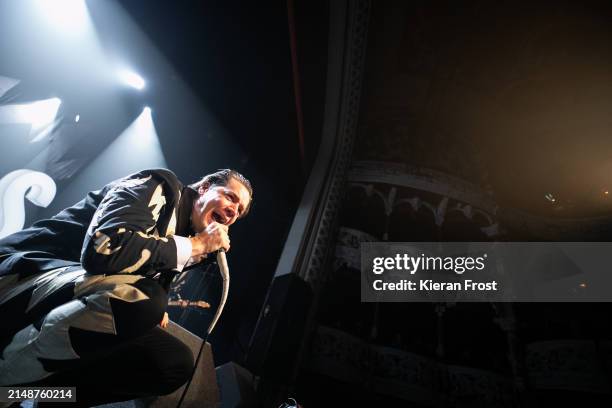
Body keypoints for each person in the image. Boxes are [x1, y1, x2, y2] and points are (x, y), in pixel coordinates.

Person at [0, 168, 253, 406]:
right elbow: (104, 251)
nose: (232, 213)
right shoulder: (157, 186)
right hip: (24, 271)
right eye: (230, 198)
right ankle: (7, 379)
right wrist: (196, 246)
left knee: (174, 363)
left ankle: (48, 398)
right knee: (145, 300)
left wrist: (148, 308)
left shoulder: (187, 240)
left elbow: (147, 284)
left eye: (239, 212)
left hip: (72, 291)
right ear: (205, 187)